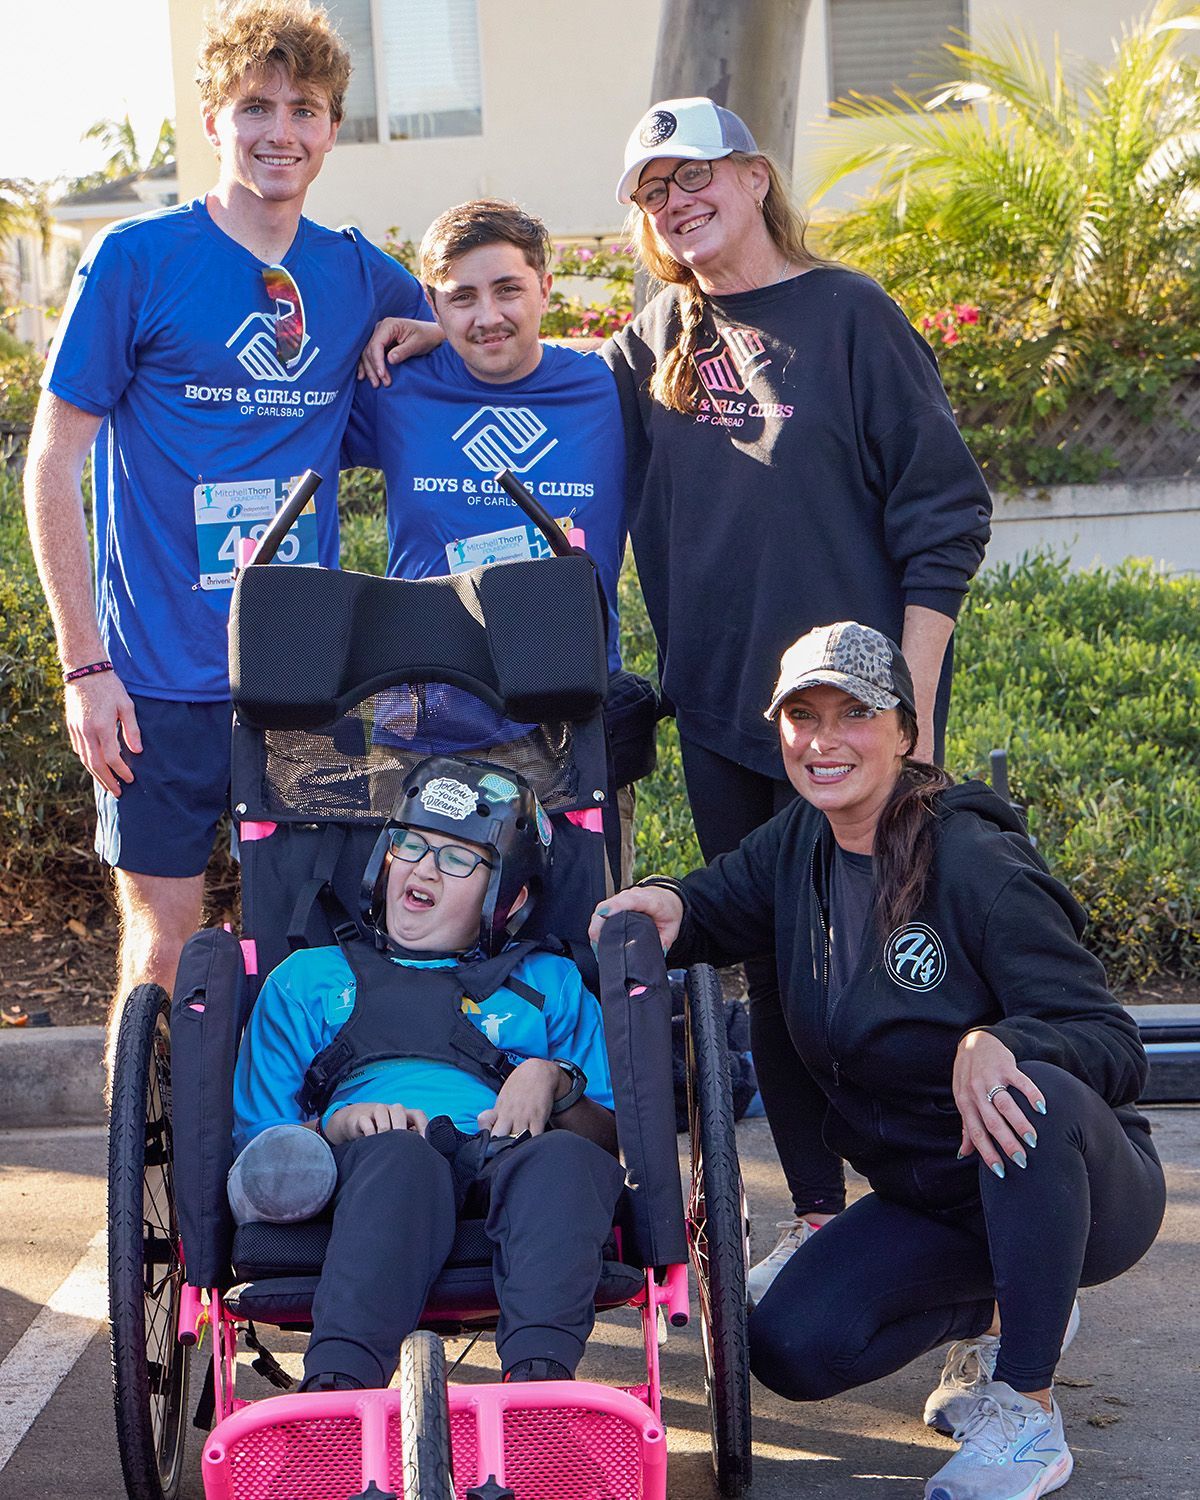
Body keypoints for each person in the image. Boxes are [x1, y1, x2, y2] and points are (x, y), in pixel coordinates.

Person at [589, 621, 1165, 1500]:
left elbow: (1114, 1046)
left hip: (1079, 1188)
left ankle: (1028, 1410)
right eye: (802, 716)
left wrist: (1002, 1040)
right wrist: (661, 902)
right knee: (790, 1345)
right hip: (934, 1198)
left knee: (1026, 1087)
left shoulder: (975, 860)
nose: (824, 741)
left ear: (904, 729)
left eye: (854, 714)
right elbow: (716, 902)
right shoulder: (799, 846)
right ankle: (1006, 1304)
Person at [603, 96, 993, 1295]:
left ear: (756, 175)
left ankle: (975, 1232)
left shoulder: (850, 315)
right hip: (729, 713)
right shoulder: (648, 342)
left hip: (863, 713)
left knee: (899, 958)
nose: (679, 201)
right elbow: (518, 392)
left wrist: (909, 697)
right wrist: (424, 327)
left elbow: (945, 514)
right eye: (654, 188)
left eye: (697, 174)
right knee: (777, 962)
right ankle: (821, 1217)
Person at [23, 0, 437, 1073]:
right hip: (154, 682)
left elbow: (476, 330)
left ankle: (281, 1182)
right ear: (214, 118)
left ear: (332, 128)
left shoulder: (354, 274)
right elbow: (52, 465)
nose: (279, 130)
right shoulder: (139, 260)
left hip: (301, 680)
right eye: (255, 105)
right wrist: (85, 668)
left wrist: (429, 323)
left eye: (304, 109)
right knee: (161, 954)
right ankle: (147, 1203)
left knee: (305, 957)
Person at [233, 754, 623, 1391]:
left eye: (457, 857)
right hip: (369, 1173)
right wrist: (334, 1127)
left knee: (566, 1162)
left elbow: (612, 1139)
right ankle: (337, 1390)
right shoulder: (306, 979)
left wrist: (556, 1080)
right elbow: (257, 1145)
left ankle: (539, 1388)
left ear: (510, 896)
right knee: (402, 1161)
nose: (421, 866)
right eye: (409, 844)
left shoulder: (549, 983)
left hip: (509, 1156)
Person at [350, 199, 650, 877]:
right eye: (461, 298)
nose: (488, 317)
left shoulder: (609, 389)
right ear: (433, 302)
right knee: (416, 944)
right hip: (422, 724)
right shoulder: (396, 386)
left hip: (566, 727)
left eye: (508, 289)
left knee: (582, 942)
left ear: (547, 286)